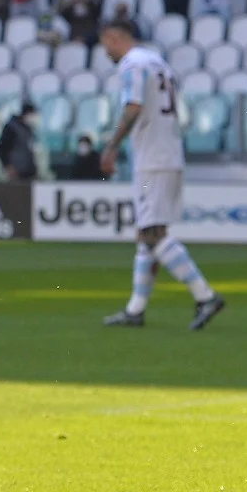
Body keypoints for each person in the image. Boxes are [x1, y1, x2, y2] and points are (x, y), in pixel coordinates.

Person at [98, 18, 225, 331]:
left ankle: (205, 295)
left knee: (152, 234)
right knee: (148, 236)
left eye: (105, 45)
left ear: (115, 37)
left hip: (152, 159)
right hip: (167, 153)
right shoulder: (158, 62)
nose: (105, 52)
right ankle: (135, 309)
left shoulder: (132, 65)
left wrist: (112, 146)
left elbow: (133, 106)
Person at [0, 102, 39, 180]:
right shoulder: (12, 128)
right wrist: (8, 166)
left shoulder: (27, 129)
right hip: (15, 173)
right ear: (27, 114)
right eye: (33, 115)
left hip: (28, 173)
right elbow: (0, 148)